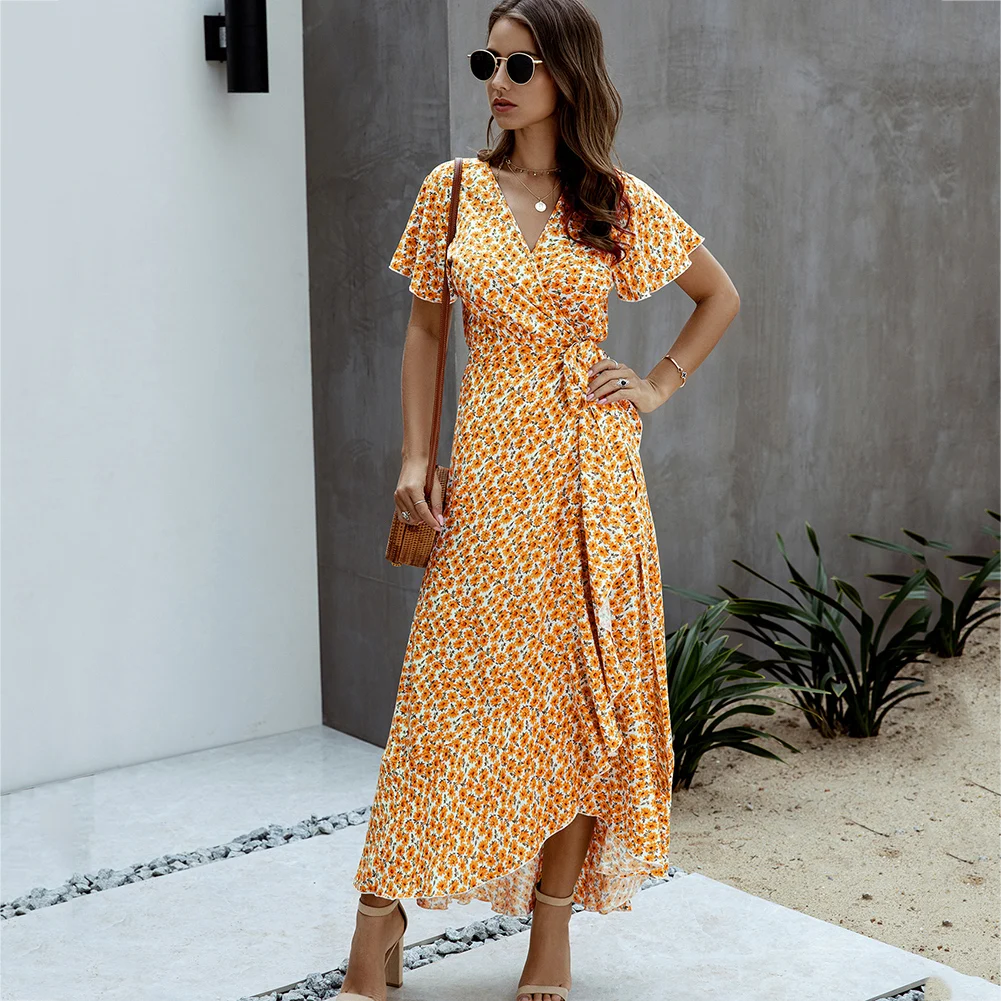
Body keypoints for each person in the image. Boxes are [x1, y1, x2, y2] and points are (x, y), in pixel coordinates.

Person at [340, 2, 739, 999]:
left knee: (576, 706)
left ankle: (549, 931)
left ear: (565, 73)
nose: (498, 80)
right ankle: (379, 912)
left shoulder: (611, 199)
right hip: (484, 475)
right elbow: (426, 331)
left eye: (520, 64)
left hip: (589, 481)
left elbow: (718, 295)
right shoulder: (452, 190)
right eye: (489, 61)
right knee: (443, 697)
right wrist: (413, 457)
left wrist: (655, 384)